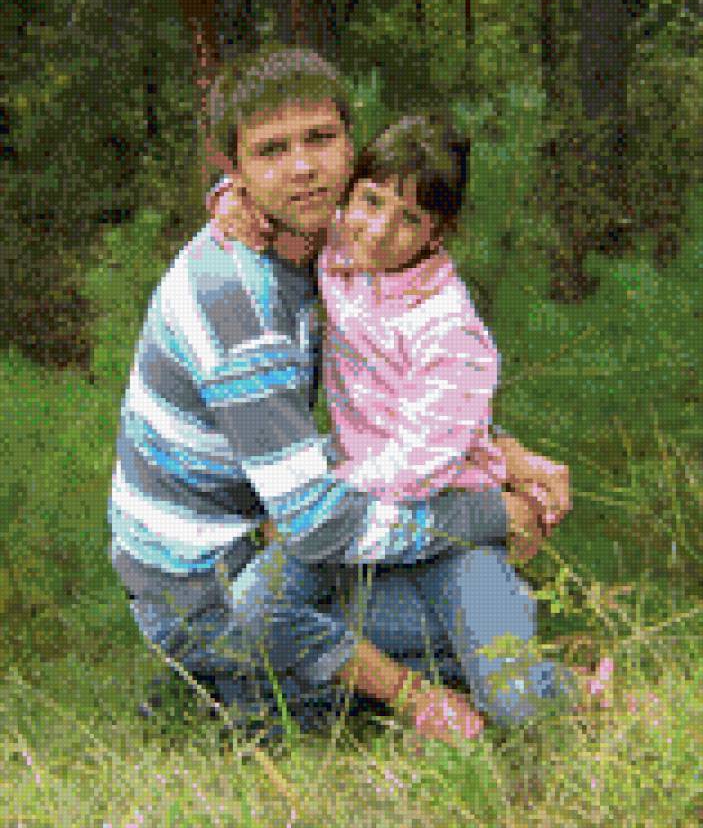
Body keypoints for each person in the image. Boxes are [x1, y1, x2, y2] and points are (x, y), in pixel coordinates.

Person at [109, 45, 576, 748]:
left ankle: (267, 688)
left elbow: (396, 385)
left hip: (279, 530)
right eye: (271, 151)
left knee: (469, 617)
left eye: (320, 139)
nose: (303, 167)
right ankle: (338, 690)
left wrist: (502, 452)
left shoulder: (328, 246)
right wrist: (488, 513)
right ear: (234, 170)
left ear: (351, 149)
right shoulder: (235, 304)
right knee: (453, 627)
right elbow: (319, 529)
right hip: (207, 586)